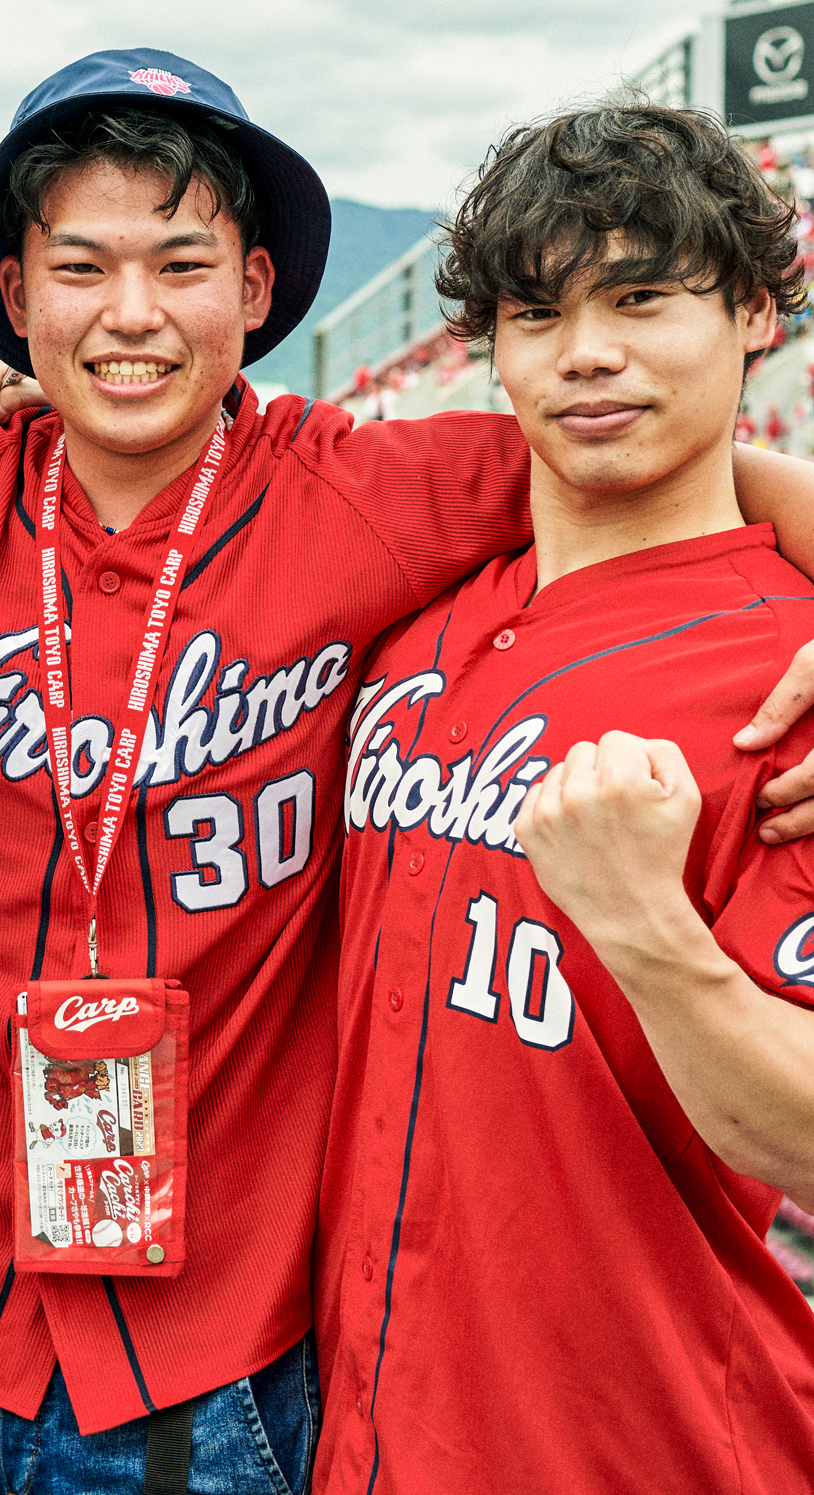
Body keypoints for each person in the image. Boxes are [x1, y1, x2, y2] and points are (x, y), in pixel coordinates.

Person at [0, 51, 814, 1495]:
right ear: (16, 300)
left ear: (255, 289)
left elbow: (645, 453)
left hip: (217, 1351)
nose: (132, 314)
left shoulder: (381, 489)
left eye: (181, 263)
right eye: (82, 267)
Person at [313, 105, 814, 1494]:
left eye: (642, 297)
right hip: (363, 1430)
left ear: (759, 315)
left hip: (646, 1439)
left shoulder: (789, 677)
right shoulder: (421, 622)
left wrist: (646, 928)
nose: (585, 351)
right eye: (537, 312)